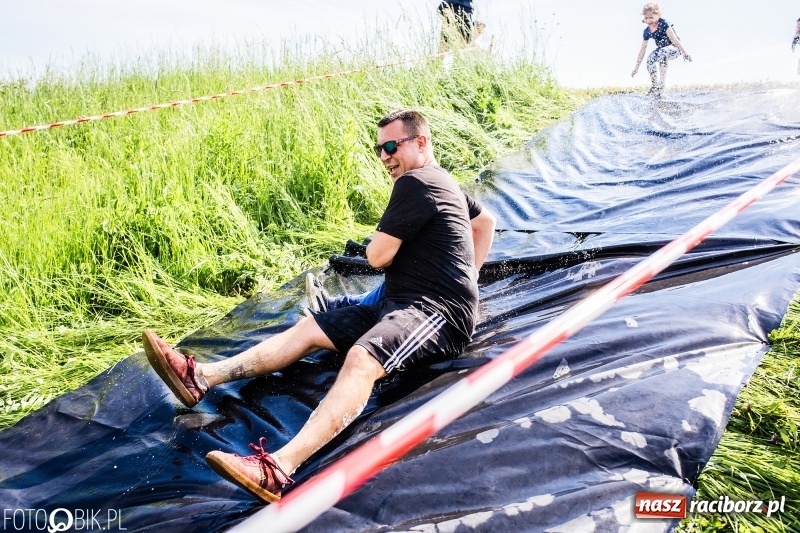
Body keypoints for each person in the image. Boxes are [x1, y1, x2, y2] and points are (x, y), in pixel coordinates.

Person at [142, 109, 497, 504]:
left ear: (421, 142)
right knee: (311, 328)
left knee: (363, 359)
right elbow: (486, 224)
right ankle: (202, 378)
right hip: (400, 304)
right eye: (379, 149)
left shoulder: (416, 182)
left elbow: (378, 257)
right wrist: (470, 276)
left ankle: (277, 468)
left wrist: (459, 290)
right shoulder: (441, 180)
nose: (384, 157)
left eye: (392, 146)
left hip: (436, 313)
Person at [631, 3, 692, 97]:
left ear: (658, 15)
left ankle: (661, 84)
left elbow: (674, 39)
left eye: (651, 17)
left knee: (663, 52)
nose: (648, 20)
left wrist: (684, 52)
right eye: (646, 18)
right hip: (662, 51)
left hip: (675, 49)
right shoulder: (646, 31)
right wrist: (636, 68)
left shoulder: (664, 23)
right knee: (650, 59)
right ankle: (655, 85)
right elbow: (642, 50)